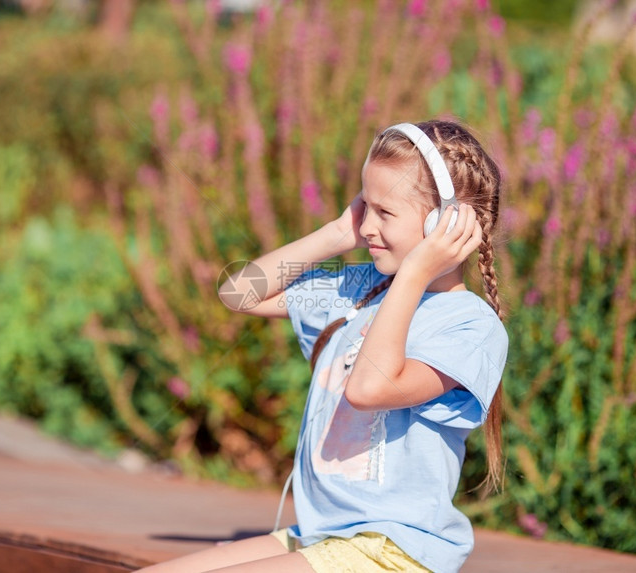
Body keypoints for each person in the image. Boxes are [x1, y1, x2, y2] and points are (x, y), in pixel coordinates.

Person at [137, 119, 508, 573]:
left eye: (385, 213)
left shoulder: (469, 327)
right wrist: (336, 233)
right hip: (320, 536)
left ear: (444, 224)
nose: (367, 226)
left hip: (393, 552)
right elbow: (239, 292)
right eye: (363, 206)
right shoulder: (361, 289)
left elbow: (369, 389)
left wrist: (415, 272)